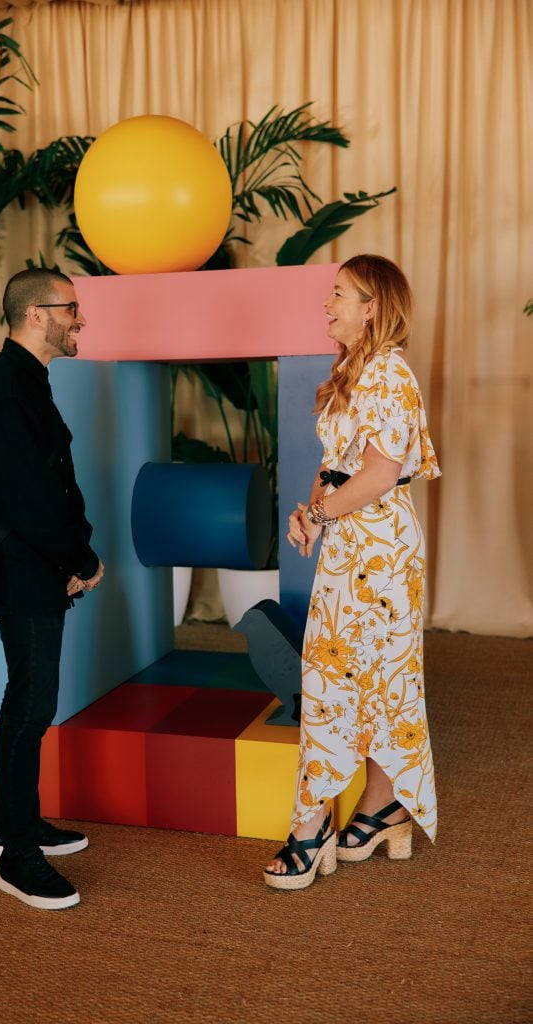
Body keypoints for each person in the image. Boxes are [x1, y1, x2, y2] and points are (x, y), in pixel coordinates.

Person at [264, 254, 440, 891]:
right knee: (361, 673)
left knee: (352, 675)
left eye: (339, 294)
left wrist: (319, 508)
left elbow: (379, 474)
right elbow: (337, 462)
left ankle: (311, 829)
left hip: (380, 554)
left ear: (373, 308)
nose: (327, 304)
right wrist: (311, 511)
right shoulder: (349, 370)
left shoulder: (388, 374)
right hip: (351, 544)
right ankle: (381, 807)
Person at [0, 267, 104, 910]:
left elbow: (48, 483)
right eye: (71, 308)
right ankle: (16, 856)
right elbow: (32, 501)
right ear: (35, 315)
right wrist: (81, 555)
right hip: (20, 567)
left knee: (30, 696)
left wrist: (72, 548)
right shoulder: (5, 392)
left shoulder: (23, 381)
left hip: (32, 563)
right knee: (32, 700)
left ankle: (11, 823)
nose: (81, 318)